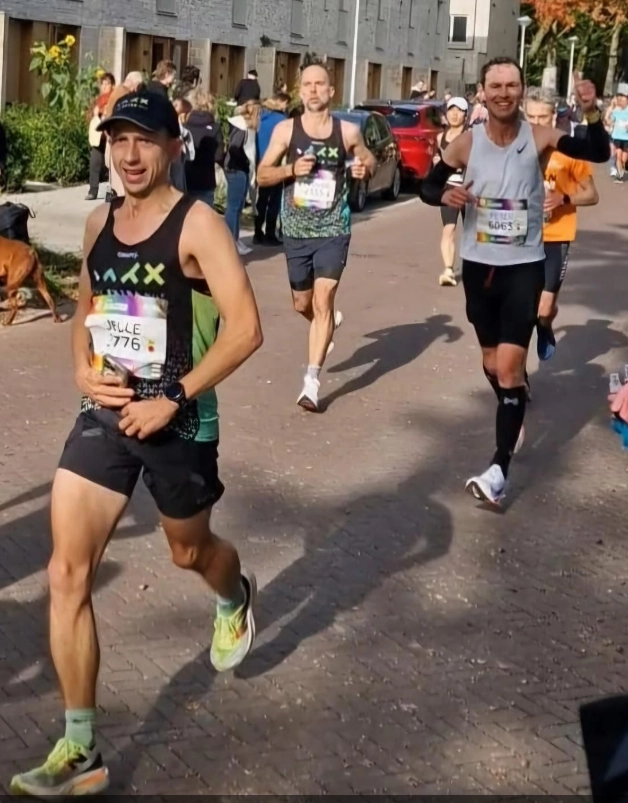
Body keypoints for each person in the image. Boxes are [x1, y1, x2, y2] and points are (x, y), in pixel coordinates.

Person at [9, 90, 263, 797]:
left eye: (144, 139)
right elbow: (87, 306)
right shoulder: (98, 220)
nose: (128, 153)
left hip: (180, 419)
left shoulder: (197, 224)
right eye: (118, 138)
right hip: (107, 416)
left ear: (174, 147)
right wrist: (83, 373)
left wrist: (173, 398)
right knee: (65, 572)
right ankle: (80, 745)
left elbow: (245, 328)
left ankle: (232, 591)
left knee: (190, 551)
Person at [419, 59, 610, 505]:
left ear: (522, 91)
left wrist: (593, 113)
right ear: (482, 92)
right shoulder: (466, 144)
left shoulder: (539, 137)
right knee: (492, 364)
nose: (504, 92)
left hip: (525, 266)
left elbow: (597, 152)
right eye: (495, 86)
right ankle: (512, 401)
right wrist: (444, 193)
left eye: (512, 85)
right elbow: (428, 188)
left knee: (507, 368)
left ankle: (498, 469)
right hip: (479, 269)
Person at [257, 63, 376, 411]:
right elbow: (263, 175)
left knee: (323, 301)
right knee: (302, 304)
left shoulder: (348, 132)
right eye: (306, 84)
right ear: (300, 91)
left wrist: (361, 169)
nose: (312, 90)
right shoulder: (285, 130)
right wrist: (290, 170)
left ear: (330, 91)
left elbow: (368, 161)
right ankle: (325, 327)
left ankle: (311, 382)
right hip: (295, 230)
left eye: (319, 84)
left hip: (333, 229)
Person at [524, 88, 599, 361]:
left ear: (554, 116)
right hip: (520, 237)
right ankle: (517, 378)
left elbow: (592, 195)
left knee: (543, 310)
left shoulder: (570, 151)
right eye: (531, 116)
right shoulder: (515, 148)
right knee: (519, 312)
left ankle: (544, 326)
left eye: (542, 116)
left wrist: (563, 198)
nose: (536, 122)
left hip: (556, 236)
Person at [433, 96, 469, 287]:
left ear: (465, 114)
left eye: (459, 110)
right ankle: (448, 270)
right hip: (448, 189)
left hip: (470, 188)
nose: (455, 114)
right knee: (449, 229)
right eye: (451, 110)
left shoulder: (471, 135)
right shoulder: (440, 137)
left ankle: (479, 268)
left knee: (473, 231)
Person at [224, 100, 260, 255]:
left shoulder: (246, 127)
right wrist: (245, 161)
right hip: (236, 169)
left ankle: (235, 239)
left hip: (240, 169)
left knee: (238, 207)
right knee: (234, 206)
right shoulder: (242, 128)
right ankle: (230, 240)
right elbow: (234, 147)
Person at [255, 93, 290, 245]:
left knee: (261, 199)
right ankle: (270, 233)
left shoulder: (260, 117)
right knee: (274, 200)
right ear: (281, 103)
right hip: (275, 164)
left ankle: (257, 232)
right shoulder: (282, 121)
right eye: (286, 104)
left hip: (260, 162)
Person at [102, 72, 144, 199]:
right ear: (135, 84)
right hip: (117, 138)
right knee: (120, 183)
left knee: (115, 180)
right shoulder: (125, 94)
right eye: (138, 87)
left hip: (112, 136)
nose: (137, 90)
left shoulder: (118, 91)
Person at [184, 88, 225, 209]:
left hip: (186, 178)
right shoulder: (215, 127)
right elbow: (219, 156)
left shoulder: (184, 126)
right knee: (204, 221)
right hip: (206, 180)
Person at [86, 73, 115, 201]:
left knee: (112, 165)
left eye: (107, 84)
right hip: (98, 137)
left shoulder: (114, 98)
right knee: (94, 163)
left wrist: (104, 113)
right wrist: (94, 114)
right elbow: (89, 117)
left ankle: (112, 191)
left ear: (112, 85)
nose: (104, 87)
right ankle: (93, 191)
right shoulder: (97, 101)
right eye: (102, 84)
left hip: (110, 136)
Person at [608, 86, 628, 181]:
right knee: (618, 156)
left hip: (626, 138)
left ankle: (621, 169)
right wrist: (610, 121)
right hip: (617, 136)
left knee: (624, 159)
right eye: (621, 100)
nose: (622, 101)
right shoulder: (616, 111)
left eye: (624, 100)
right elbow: (610, 120)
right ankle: (619, 175)